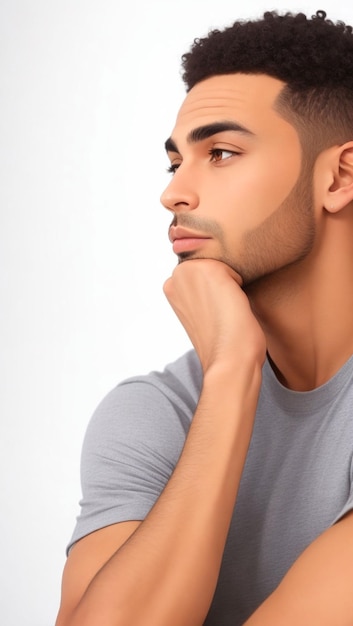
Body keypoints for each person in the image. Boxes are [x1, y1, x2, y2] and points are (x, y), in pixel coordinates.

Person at [55, 9, 353, 626]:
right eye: (174, 163)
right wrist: (230, 375)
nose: (173, 193)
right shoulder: (155, 409)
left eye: (220, 153)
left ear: (340, 176)